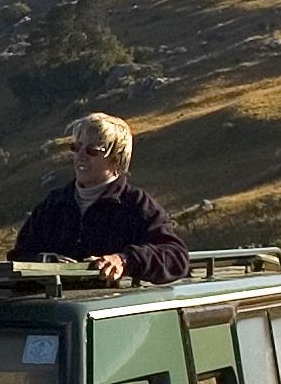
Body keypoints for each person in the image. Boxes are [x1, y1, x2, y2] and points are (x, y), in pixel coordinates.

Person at [10, 112, 188, 284]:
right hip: (58, 308)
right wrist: (46, 262)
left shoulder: (136, 204)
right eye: (76, 147)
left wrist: (124, 261)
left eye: (92, 151)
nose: (80, 155)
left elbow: (176, 257)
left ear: (116, 159)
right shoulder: (54, 204)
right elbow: (19, 256)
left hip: (112, 309)